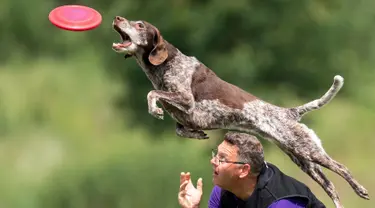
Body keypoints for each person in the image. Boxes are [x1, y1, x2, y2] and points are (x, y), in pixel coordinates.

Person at [178, 131, 326, 208]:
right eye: (215, 155)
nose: (213, 161)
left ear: (244, 170)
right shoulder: (223, 190)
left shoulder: (281, 203)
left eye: (222, 158)